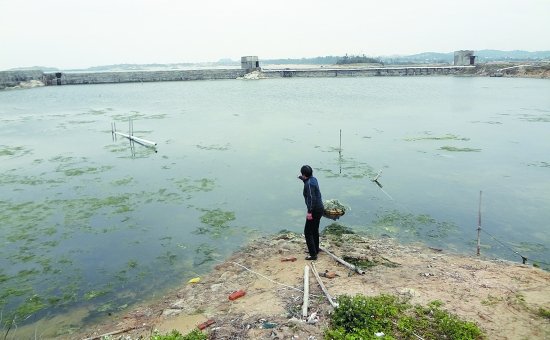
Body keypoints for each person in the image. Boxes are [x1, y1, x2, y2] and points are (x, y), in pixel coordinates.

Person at [298, 165, 324, 260]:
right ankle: (315, 249)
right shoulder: (313, 179)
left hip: (314, 210)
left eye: (302, 174)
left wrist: (309, 212)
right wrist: (303, 179)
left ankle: (313, 255)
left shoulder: (308, 184)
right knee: (314, 230)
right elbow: (309, 183)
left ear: (304, 174)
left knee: (307, 231)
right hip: (320, 208)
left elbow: (311, 199)